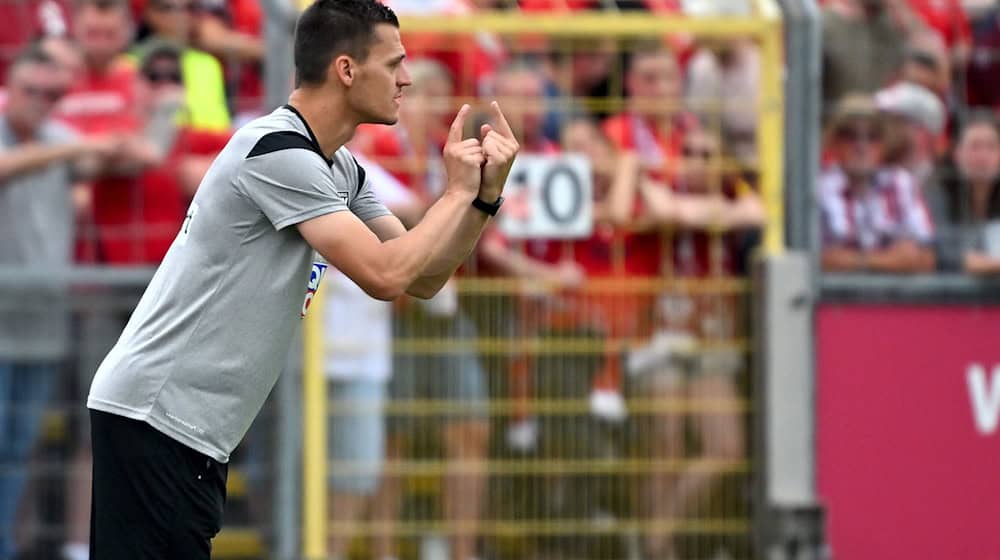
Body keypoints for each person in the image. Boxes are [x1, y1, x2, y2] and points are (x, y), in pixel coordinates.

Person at [85, 2, 519, 560]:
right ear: (346, 69)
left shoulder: (339, 166)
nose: (407, 78)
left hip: (185, 428)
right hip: (154, 416)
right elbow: (386, 275)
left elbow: (424, 277)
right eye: (394, 64)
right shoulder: (277, 152)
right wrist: (457, 194)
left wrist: (482, 198)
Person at [629, 128, 764, 559]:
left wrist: (699, 212)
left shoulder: (736, 193)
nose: (697, 161)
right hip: (661, 334)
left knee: (725, 450)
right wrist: (711, 213)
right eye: (688, 152)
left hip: (714, 337)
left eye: (708, 154)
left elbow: (759, 214)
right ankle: (659, 547)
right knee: (664, 449)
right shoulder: (660, 187)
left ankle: (655, 537)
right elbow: (663, 211)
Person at [0, 44, 112, 560]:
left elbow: (116, 156)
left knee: (20, 447)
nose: (41, 101)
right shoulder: (57, 144)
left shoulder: (62, 139)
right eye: (32, 91)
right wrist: (70, 150)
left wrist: (157, 115)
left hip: (42, 322)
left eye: (52, 93)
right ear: (10, 87)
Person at [819, 94, 936, 273]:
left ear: (883, 144)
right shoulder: (819, 189)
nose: (861, 145)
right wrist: (891, 260)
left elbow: (926, 258)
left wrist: (851, 260)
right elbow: (816, 259)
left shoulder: (902, 183)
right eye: (851, 136)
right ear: (835, 142)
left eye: (872, 136)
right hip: (834, 299)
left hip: (895, 299)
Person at [927, 112, 1000, 274]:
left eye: (992, 147)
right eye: (975, 146)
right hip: (947, 295)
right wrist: (985, 264)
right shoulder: (938, 194)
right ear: (957, 154)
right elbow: (941, 251)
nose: (983, 156)